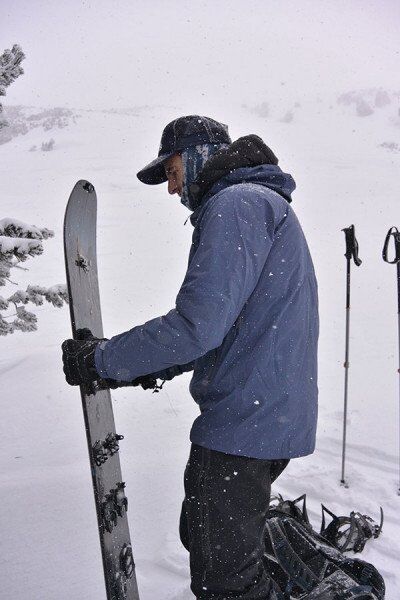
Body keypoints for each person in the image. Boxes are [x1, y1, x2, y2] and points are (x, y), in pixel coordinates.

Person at [62, 115, 319, 599]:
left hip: (244, 423)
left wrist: (102, 360)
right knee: (202, 535)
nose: (171, 187)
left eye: (172, 170)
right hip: (265, 415)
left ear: (200, 154)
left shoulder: (237, 205)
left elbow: (196, 328)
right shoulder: (257, 203)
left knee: (224, 581)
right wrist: (132, 368)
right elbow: (219, 331)